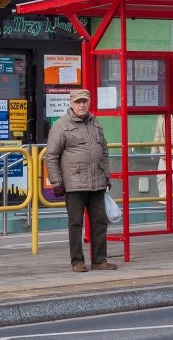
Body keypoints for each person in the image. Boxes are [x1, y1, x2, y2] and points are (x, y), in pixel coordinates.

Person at [43, 89, 118, 272]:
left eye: (85, 101)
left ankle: (99, 259)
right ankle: (77, 261)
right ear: (71, 104)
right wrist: (56, 182)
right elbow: (51, 156)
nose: (82, 105)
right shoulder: (61, 125)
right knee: (75, 223)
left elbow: (104, 152)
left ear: (89, 102)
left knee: (100, 221)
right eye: (78, 102)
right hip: (74, 183)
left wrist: (106, 176)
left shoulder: (95, 123)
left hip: (96, 182)